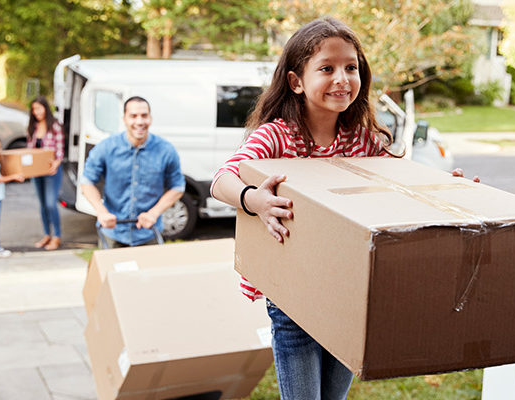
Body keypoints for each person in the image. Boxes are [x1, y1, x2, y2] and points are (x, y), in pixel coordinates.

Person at [211, 17, 403, 399]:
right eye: (327, 69)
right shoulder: (277, 135)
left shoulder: (362, 139)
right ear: (297, 81)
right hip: (292, 297)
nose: (342, 79)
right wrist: (255, 200)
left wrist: (451, 190)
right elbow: (222, 181)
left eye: (351, 68)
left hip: (347, 292)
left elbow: (398, 187)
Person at [80, 96, 185, 248]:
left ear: (150, 118)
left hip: (149, 233)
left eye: (144, 115)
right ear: (124, 119)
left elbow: (178, 187)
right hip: (113, 233)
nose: (139, 121)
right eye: (133, 116)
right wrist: (101, 212)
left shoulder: (166, 151)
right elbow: (87, 182)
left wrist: (154, 213)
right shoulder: (106, 148)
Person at [27, 96, 65, 250]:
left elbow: (60, 150)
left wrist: (56, 163)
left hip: (52, 171)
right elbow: (29, 151)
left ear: (45, 108)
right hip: (37, 172)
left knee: (51, 204)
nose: (36, 112)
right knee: (42, 205)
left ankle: (57, 236)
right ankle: (46, 235)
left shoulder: (54, 125)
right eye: (34, 109)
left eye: (39, 108)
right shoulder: (32, 127)